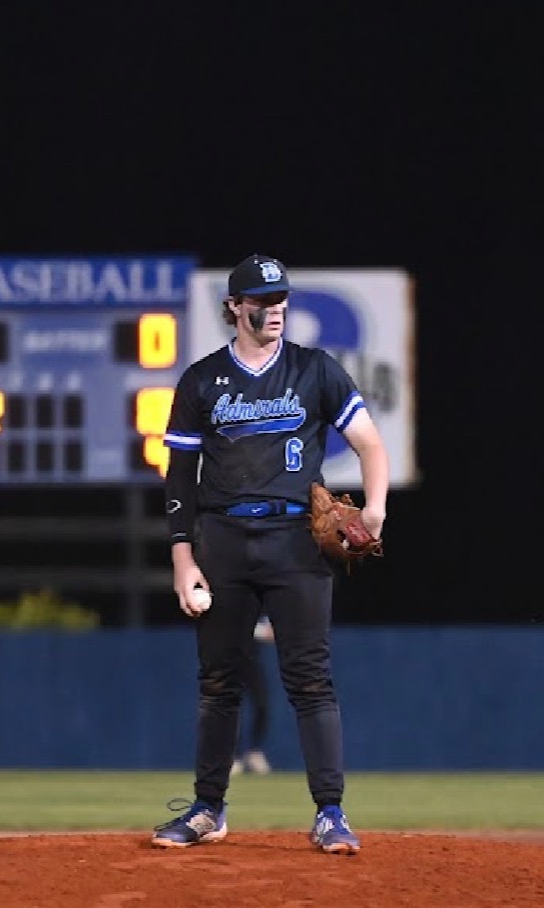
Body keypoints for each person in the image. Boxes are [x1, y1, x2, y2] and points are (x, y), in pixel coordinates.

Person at [151, 253, 389, 855]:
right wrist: (183, 557)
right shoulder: (202, 380)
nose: (275, 310)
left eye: (281, 299)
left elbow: (369, 443)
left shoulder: (315, 369)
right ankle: (208, 809)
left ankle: (330, 812)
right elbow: (179, 478)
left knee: (310, 680)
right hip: (222, 539)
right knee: (218, 682)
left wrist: (375, 511)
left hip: (294, 542)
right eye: (261, 301)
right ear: (235, 307)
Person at [230, 616, 275, 777]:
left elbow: (271, 634)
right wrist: (258, 631)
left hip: (252, 662)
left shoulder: (262, 609)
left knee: (262, 705)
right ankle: (233, 756)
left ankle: (254, 751)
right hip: (228, 661)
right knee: (231, 708)